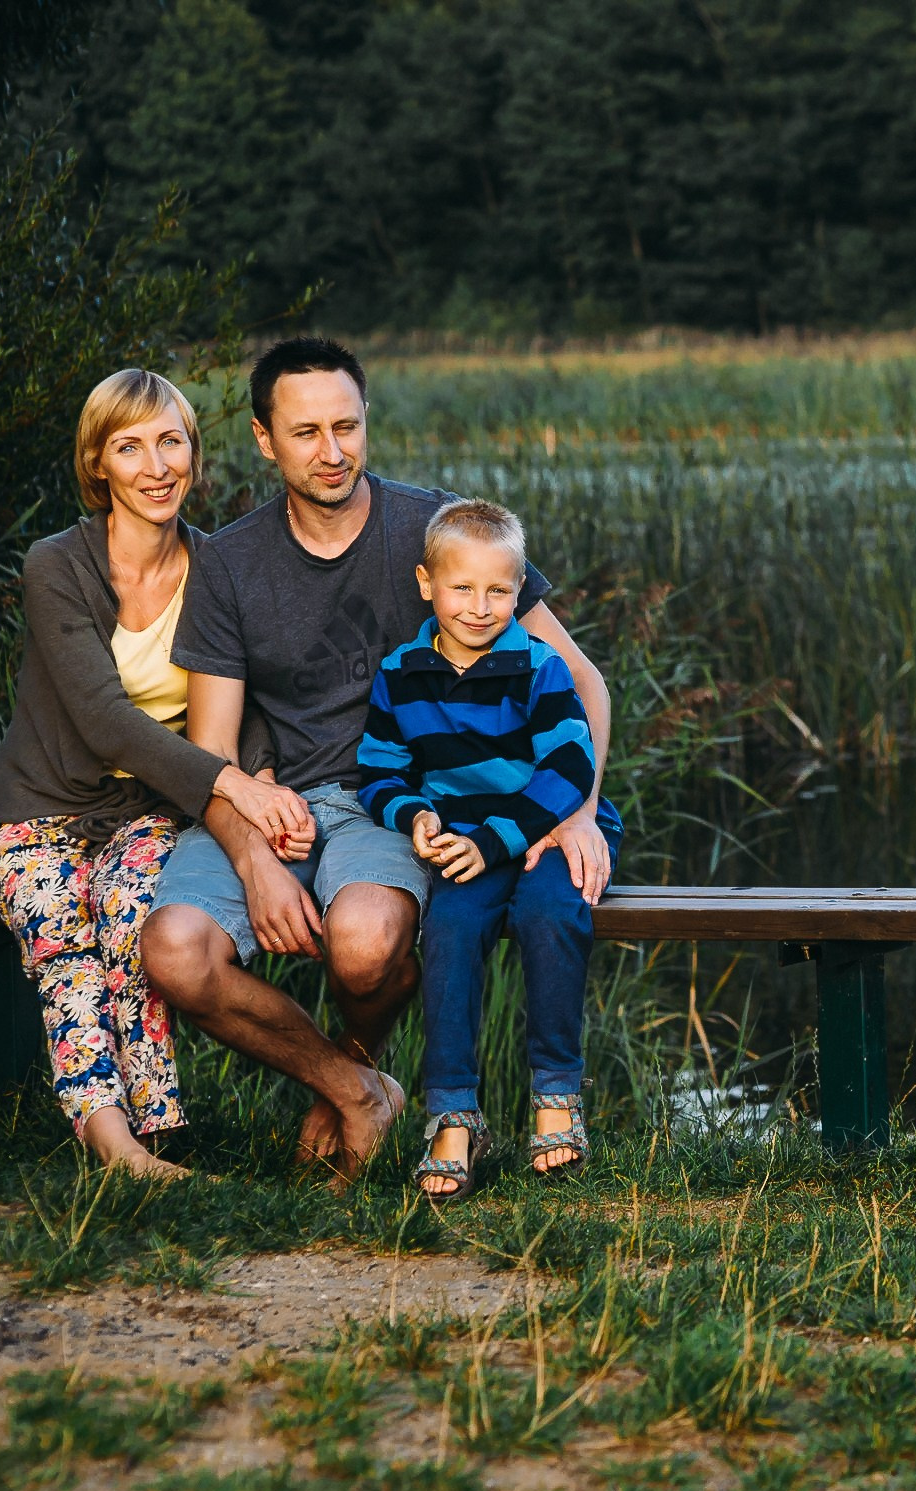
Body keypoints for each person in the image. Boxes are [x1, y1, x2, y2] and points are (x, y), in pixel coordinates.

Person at [141, 338, 615, 1186]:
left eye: (347, 426)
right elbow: (211, 752)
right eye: (306, 432)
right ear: (262, 438)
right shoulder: (231, 563)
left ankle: (353, 1071)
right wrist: (254, 860)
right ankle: (356, 1087)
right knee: (174, 950)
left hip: (393, 802)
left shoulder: (436, 533)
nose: (331, 452)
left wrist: (577, 809)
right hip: (273, 806)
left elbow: (582, 680)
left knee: (363, 946)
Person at [0, 369, 311, 1178]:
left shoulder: (216, 566)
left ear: (194, 455)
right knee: (65, 931)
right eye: (130, 446)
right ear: (99, 464)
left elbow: (247, 699)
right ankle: (114, 1142)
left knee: (134, 915)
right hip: (37, 813)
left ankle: (159, 1124)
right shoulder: (56, 563)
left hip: (146, 810)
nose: (156, 466)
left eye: (171, 442)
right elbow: (103, 720)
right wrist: (235, 785)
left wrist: (263, 771)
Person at [357, 500, 619, 1201]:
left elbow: (568, 769)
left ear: (519, 588)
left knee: (549, 916)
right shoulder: (402, 672)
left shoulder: (539, 667)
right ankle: (453, 1114)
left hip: (550, 827)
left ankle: (557, 1096)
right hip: (467, 840)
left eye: (499, 590)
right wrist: (413, 816)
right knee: (447, 928)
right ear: (426, 583)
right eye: (462, 588)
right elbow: (381, 771)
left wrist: (500, 839)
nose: (479, 606)